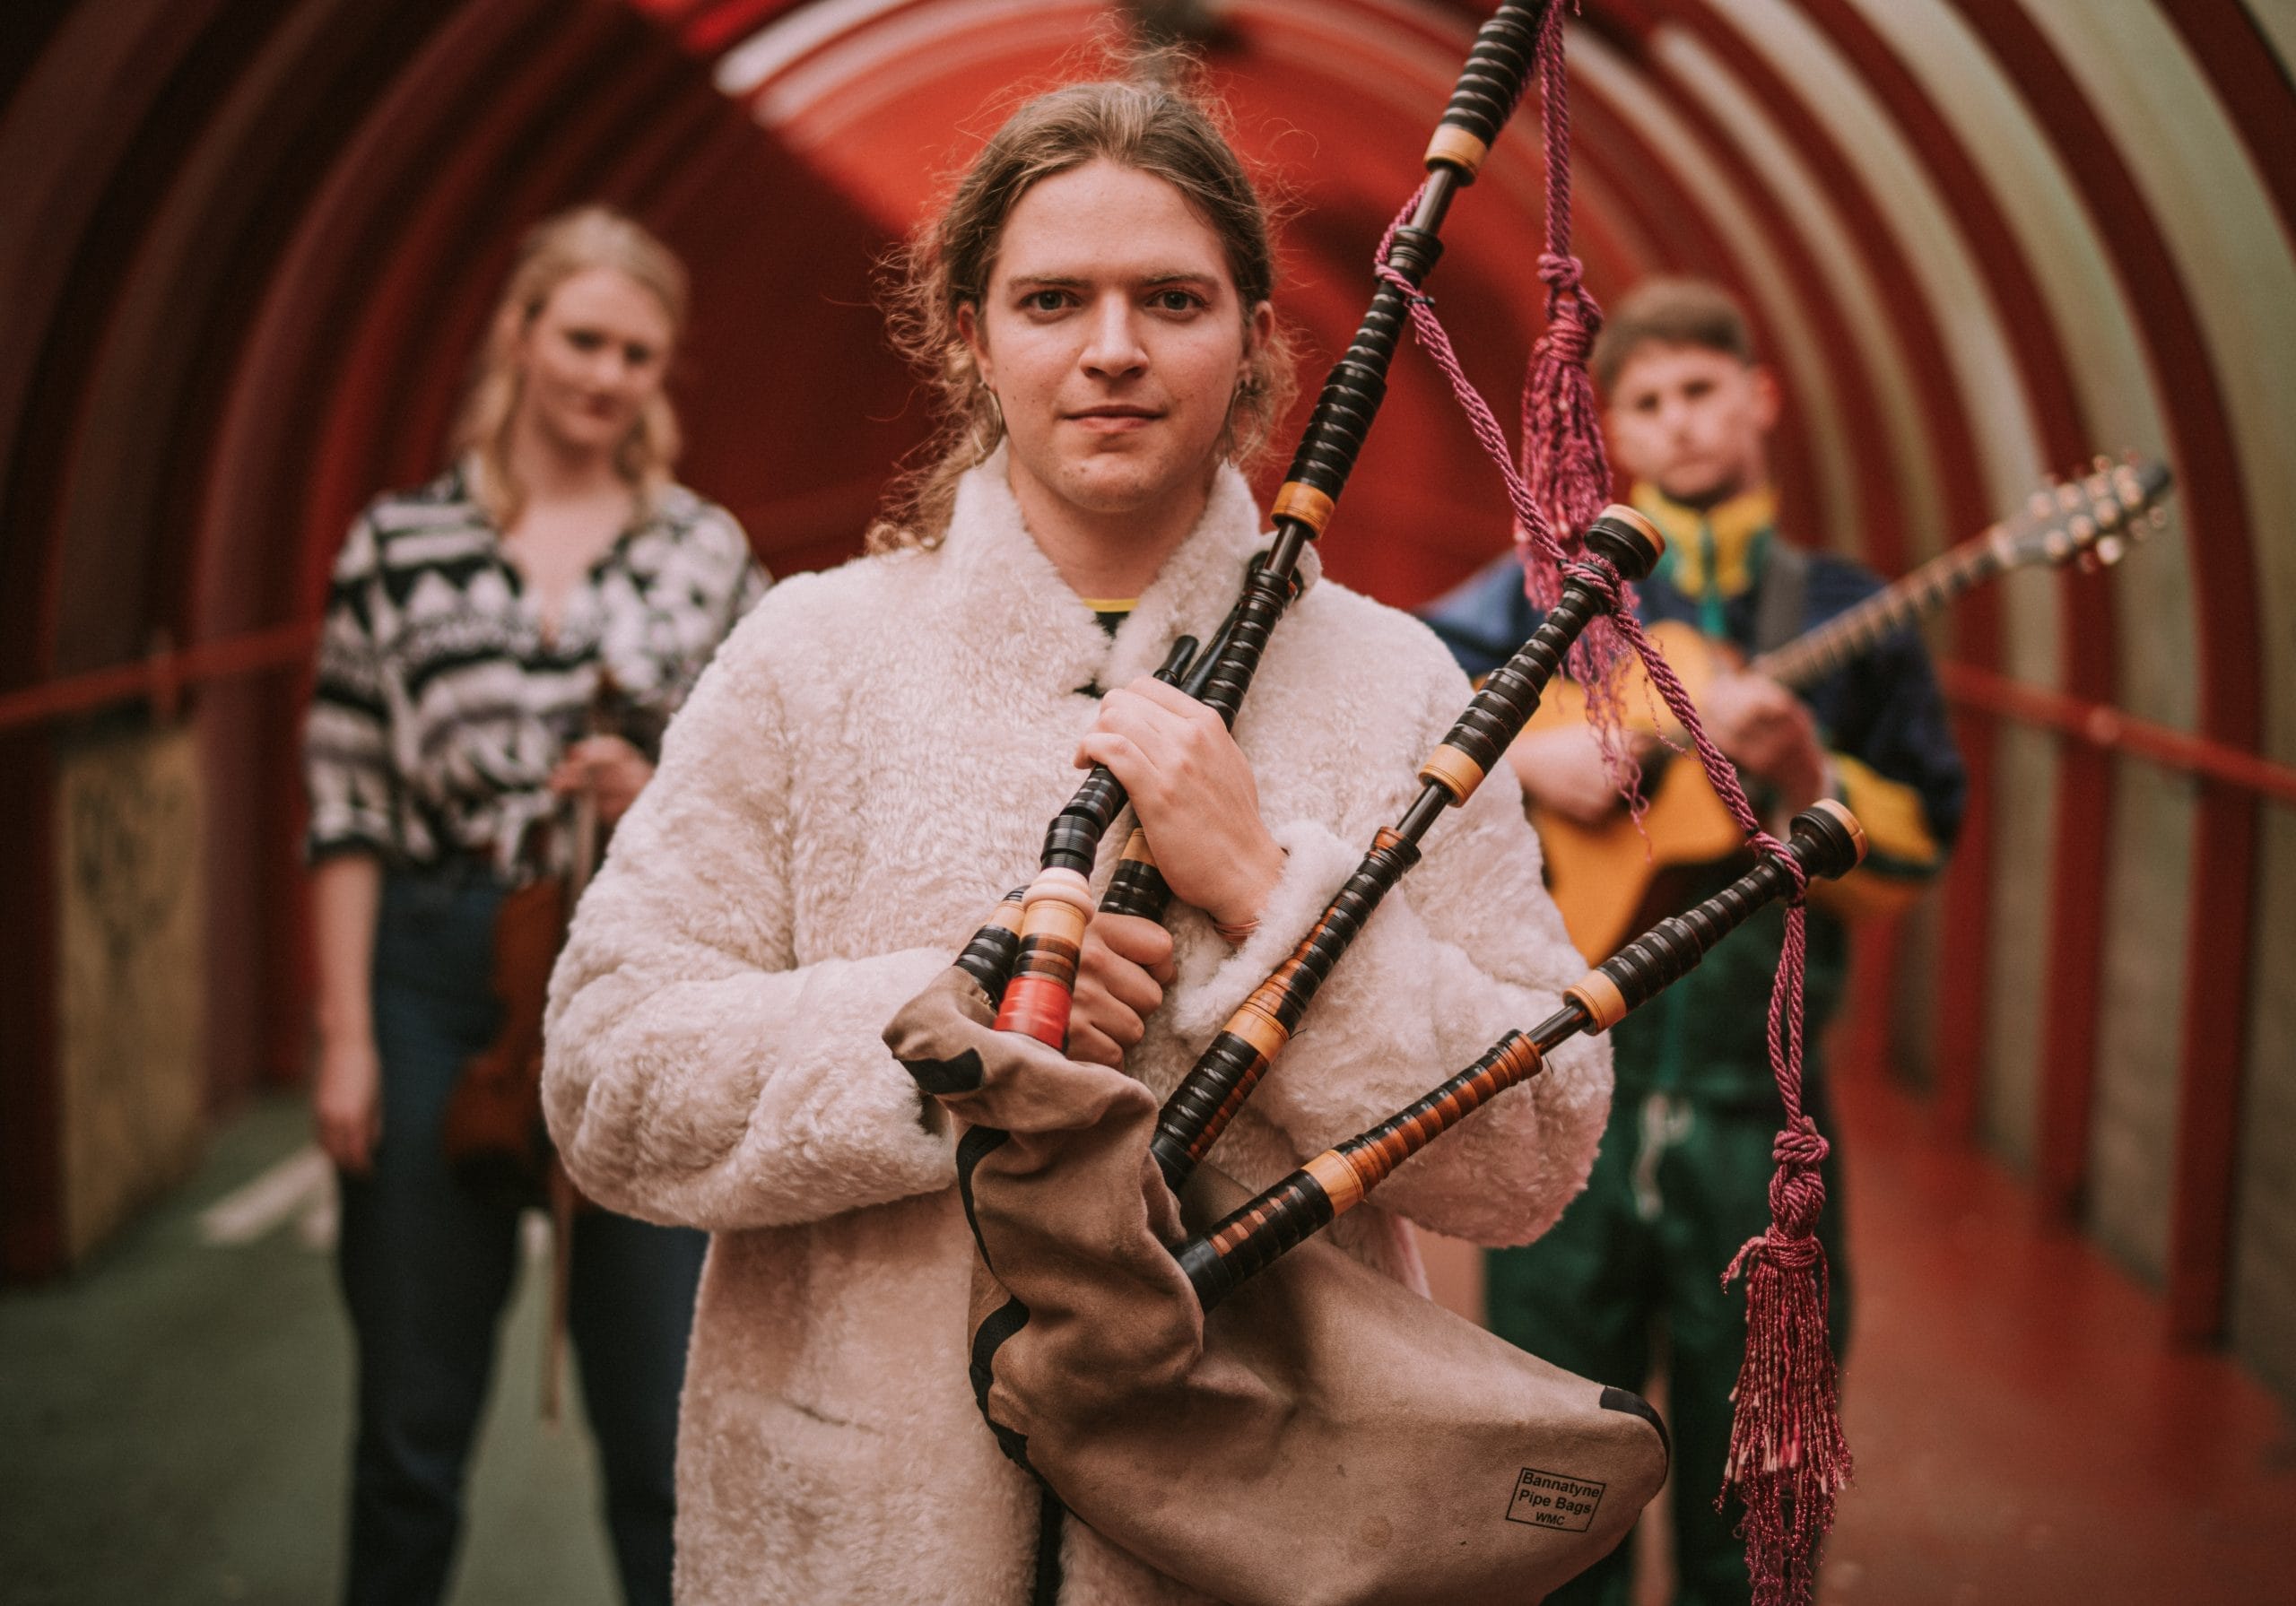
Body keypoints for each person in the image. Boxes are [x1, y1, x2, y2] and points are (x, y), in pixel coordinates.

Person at [541, 67, 1613, 1606]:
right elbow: (604, 1077)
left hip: (1256, 1541)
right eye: (1053, 300)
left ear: (1254, 330)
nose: (1111, 351)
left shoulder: (1395, 686)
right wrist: (953, 1030)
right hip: (857, 1541)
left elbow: (1533, 1154)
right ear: (970, 333)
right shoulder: (811, 658)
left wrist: (1268, 899)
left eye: (1170, 299)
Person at [1422, 277, 1967, 1605]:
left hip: (1759, 1110)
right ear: (1615, 430)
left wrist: (1809, 773)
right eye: (1648, 404)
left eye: (1701, 392)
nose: (1678, 424)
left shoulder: (1846, 612)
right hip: (1566, 1086)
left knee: (1759, 1469)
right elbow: (1413, 736)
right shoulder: (1544, 598)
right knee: (1554, 1468)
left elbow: (1919, 849)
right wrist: (1529, 766)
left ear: (1758, 399)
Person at [302, 205, 767, 1606]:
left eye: (638, 353)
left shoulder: (706, 553)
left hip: (637, 967)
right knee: (409, 1425)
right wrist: (348, 1038)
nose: (607, 374)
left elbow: (763, 794)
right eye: (583, 338)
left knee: (663, 1428)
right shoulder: (398, 544)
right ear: (519, 333)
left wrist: (658, 782)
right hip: (438, 968)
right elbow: (347, 804)